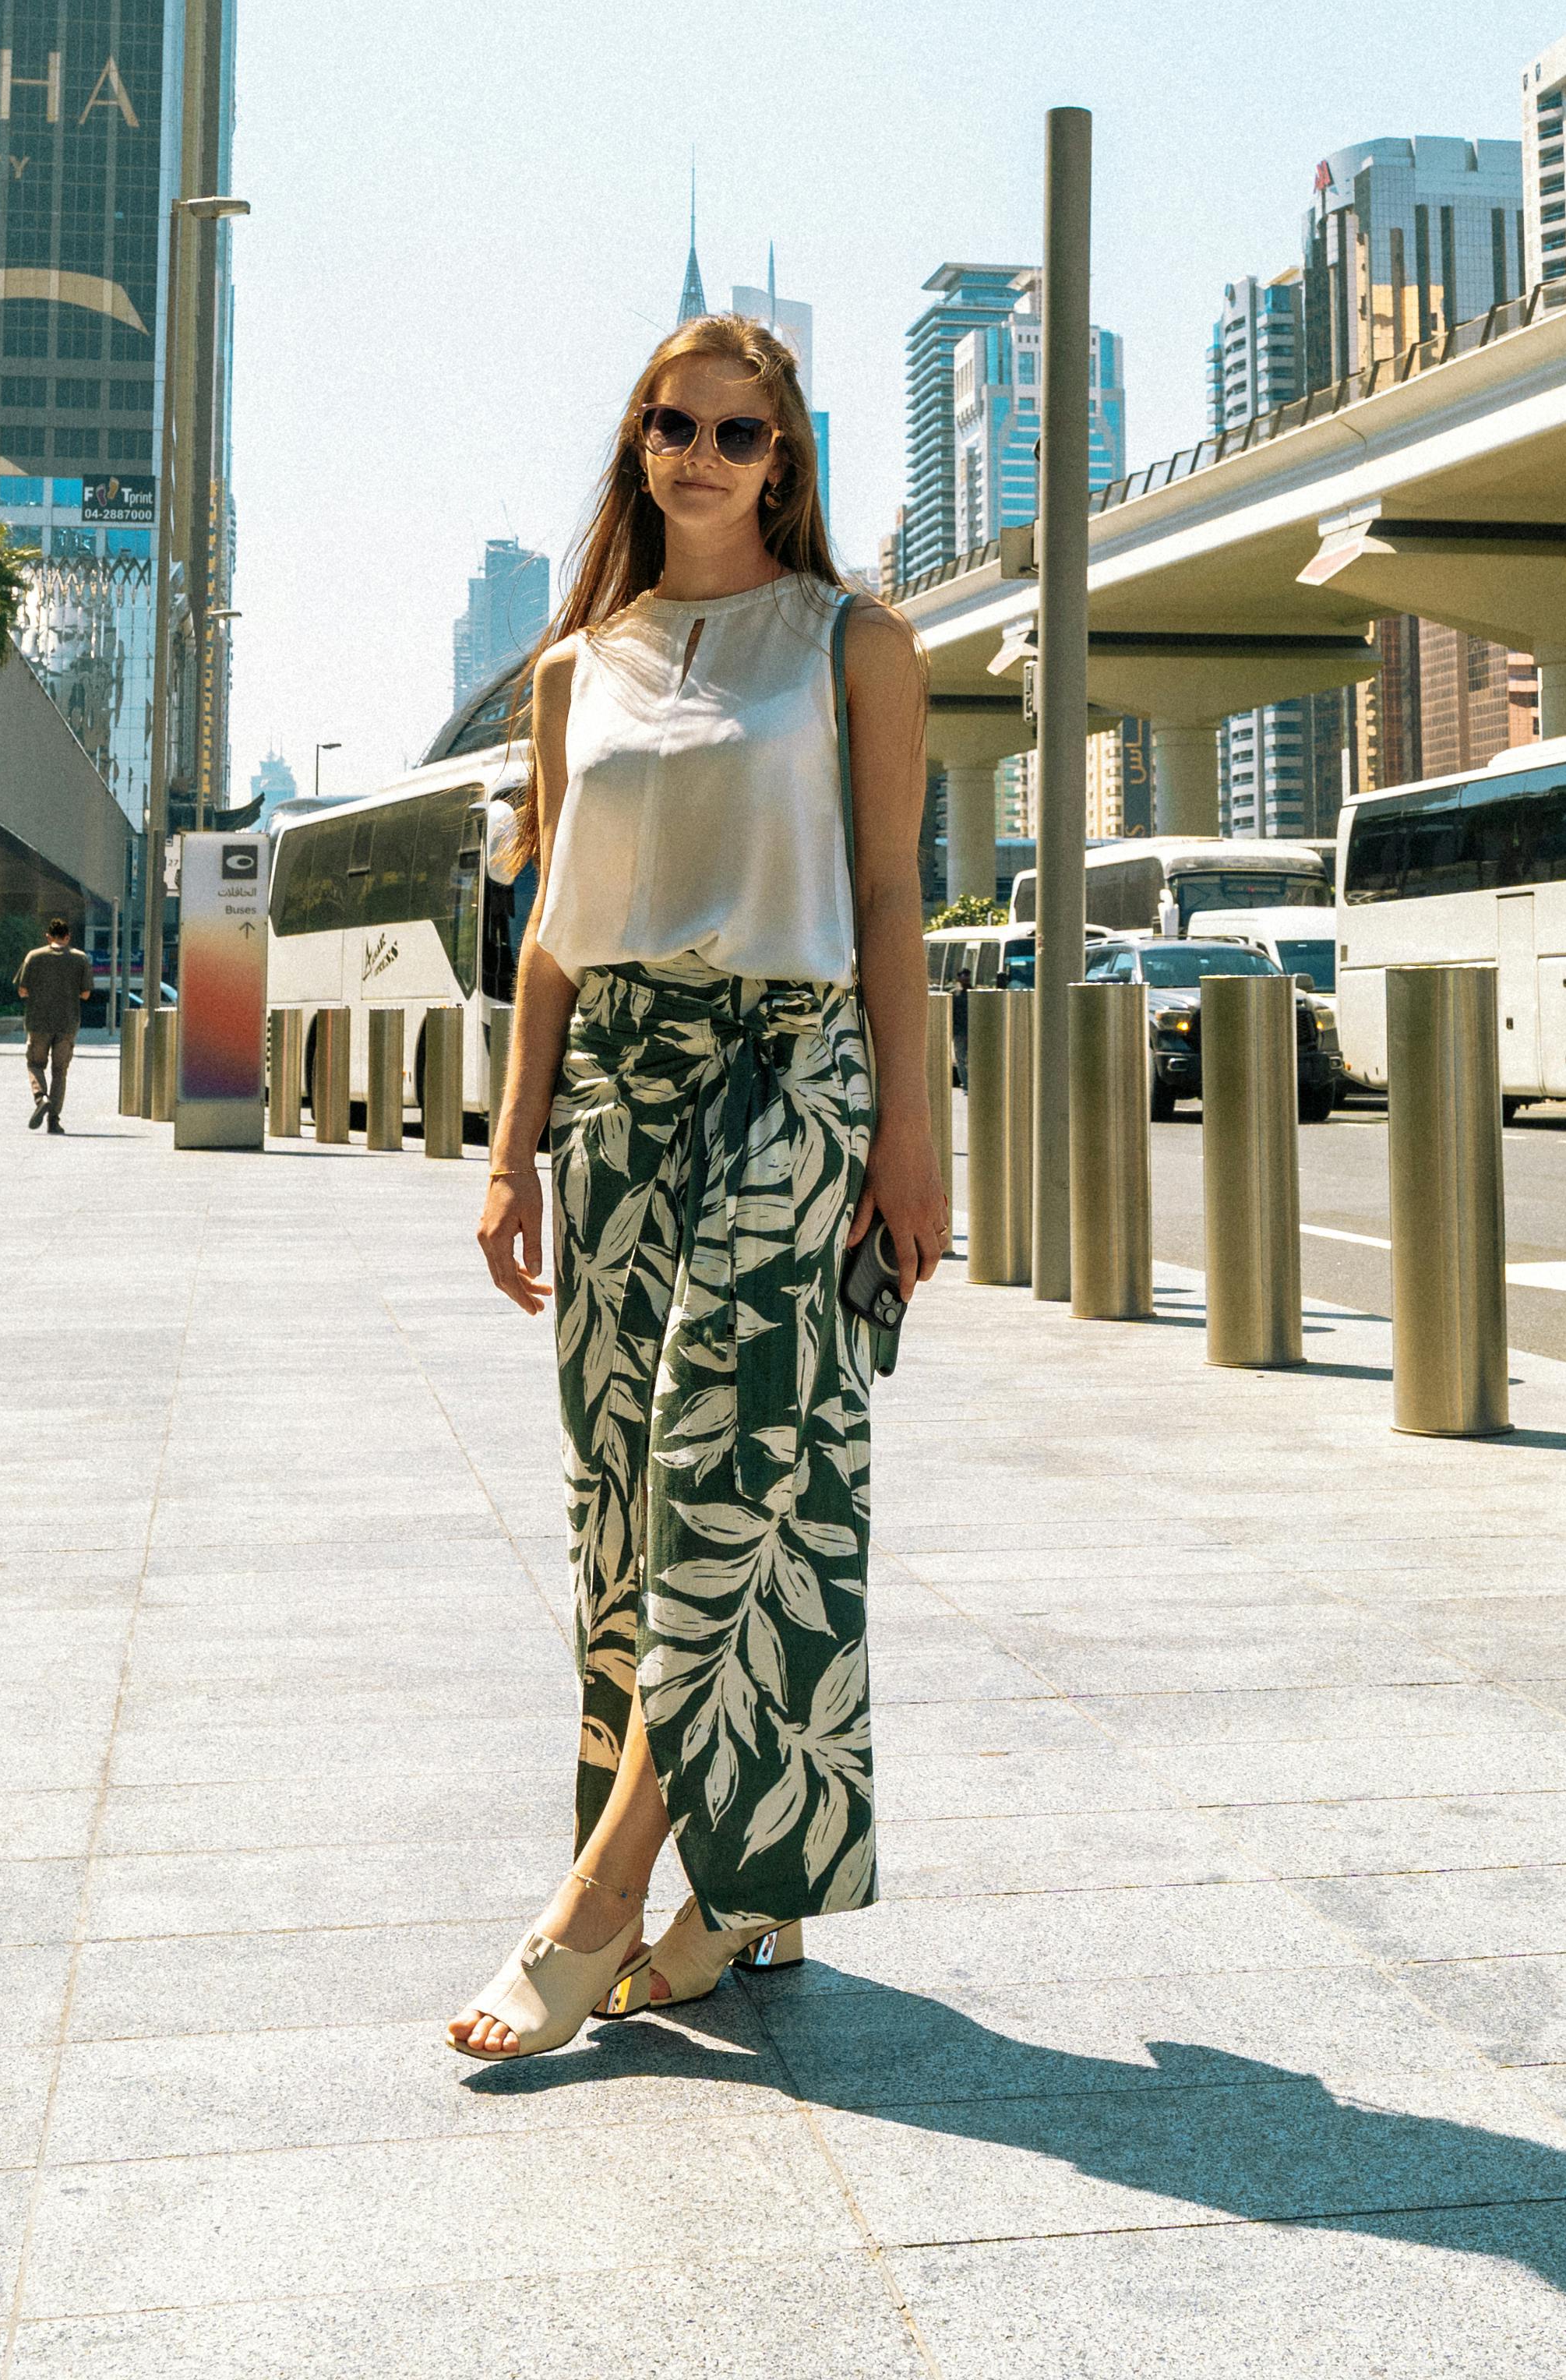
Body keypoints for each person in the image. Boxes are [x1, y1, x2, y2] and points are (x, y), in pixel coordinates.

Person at [443, 313, 943, 2060]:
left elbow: (891, 898)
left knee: (726, 1460)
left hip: (794, 1074)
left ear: (786, 460)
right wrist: (510, 1148)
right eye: (676, 424)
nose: (704, 454)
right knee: (631, 1497)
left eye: (741, 432)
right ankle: (740, 1893)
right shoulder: (580, 670)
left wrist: (913, 1134)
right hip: (622, 1096)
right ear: (637, 444)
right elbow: (550, 940)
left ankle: (597, 1905)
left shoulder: (857, 642)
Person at [18, 928, 90, 1131]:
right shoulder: (80, 959)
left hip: (38, 1022)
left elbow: (22, 990)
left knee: (35, 1064)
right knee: (60, 1072)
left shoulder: (34, 956)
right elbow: (86, 994)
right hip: (67, 1023)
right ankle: (54, 1121)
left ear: (48, 936)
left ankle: (41, 1098)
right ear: (68, 937)